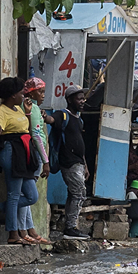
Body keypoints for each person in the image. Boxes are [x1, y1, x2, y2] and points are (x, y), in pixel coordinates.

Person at [0, 76, 39, 244]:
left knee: (32, 196)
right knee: (14, 194)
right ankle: (13, 234)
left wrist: (26, 112)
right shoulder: (1, 111)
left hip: (23, 153)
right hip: (12, 152)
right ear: (12, 95)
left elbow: (23, 127)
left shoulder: (18, 109)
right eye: (20, 92)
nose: (23, 95)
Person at [51, 88, 89, 237]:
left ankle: (70, 226)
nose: (82, 101)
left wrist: (85, 165)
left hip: (79, 162)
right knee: (79, 192)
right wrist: (43, 116)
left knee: (74, 193)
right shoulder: (62, 115)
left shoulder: (79, 119)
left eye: (83, 98)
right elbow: (52, 120)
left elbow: (80, 143)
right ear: (70, 100)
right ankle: (70, 228)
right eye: (79, 99)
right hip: (68, 162)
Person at [22, 76, 50, 244]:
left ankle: (30, 229)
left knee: (27, 195)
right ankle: (27, 230)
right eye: (40, 92)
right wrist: (45, 161)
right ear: (31, 93)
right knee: (28, 195)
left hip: (33, 155)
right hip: (34, 155)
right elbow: (36, 136)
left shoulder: (34, 108)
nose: (43, 95)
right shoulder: (33, 109)